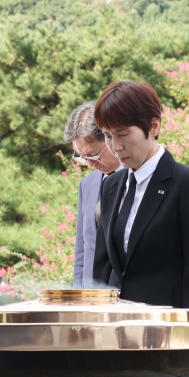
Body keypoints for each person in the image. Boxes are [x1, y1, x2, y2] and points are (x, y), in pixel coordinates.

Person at [91, 81, 189, 309]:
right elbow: (102, 268)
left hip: (166, 330)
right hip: (115, 328)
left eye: (124, 134)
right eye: (108, 136)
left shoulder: (188, 183)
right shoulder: (111, 186)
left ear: (154, 126)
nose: (115, 146)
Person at [63, 101, 120, 288]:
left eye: (93, 155)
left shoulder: (138, 179)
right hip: (90, 298)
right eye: (82, 157)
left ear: (111, 138)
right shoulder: (87, 185)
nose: (89, 163)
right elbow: (82, 250)